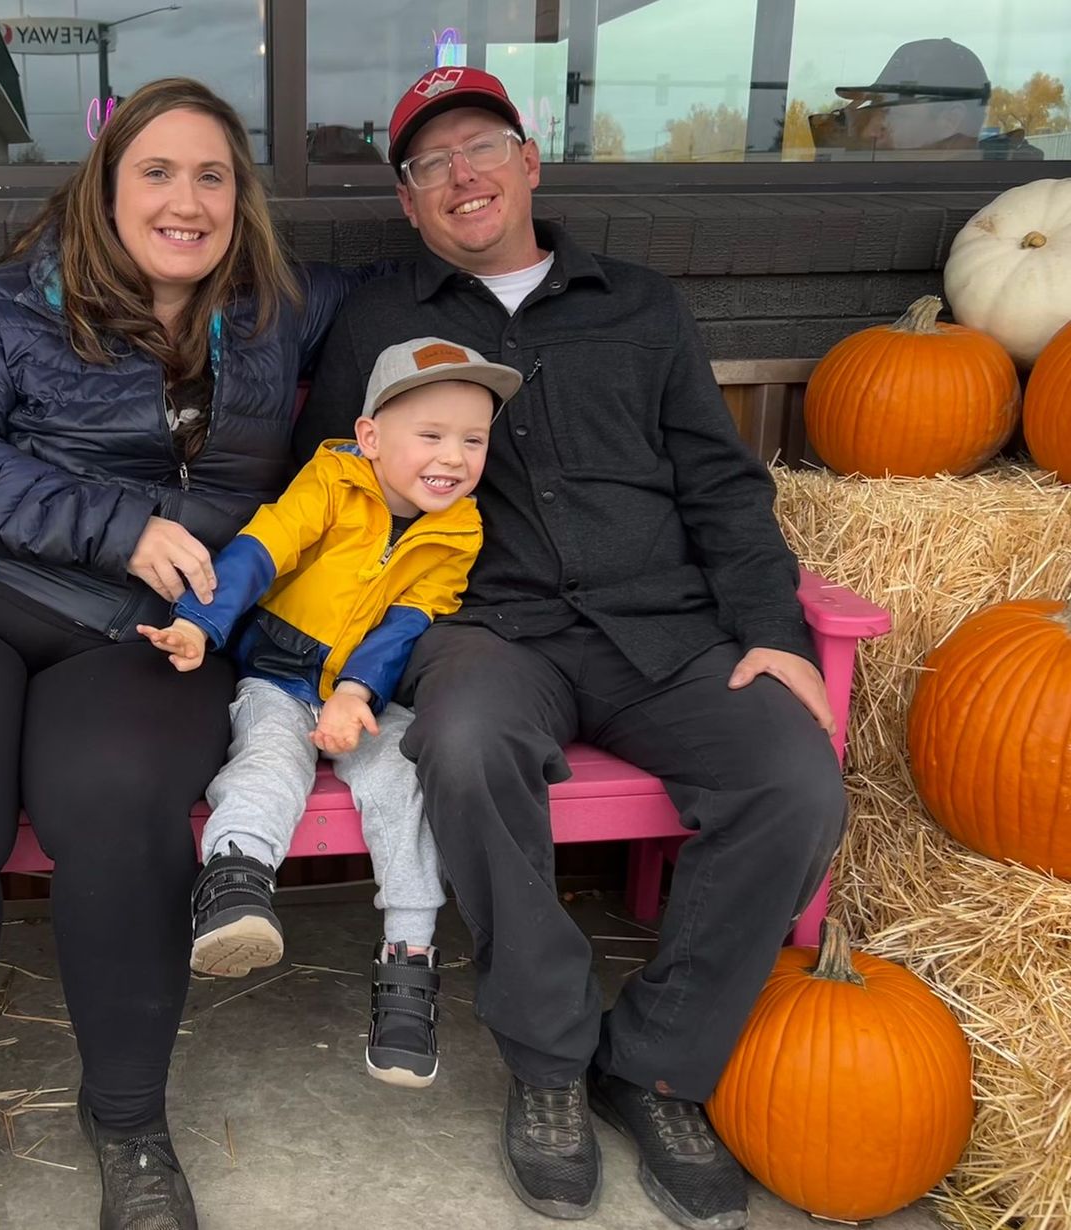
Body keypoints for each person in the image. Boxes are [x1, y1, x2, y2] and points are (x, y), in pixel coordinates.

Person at [296, 66, 846, 1230]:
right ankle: (546, 1062)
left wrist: (770, 631)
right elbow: (330, 491)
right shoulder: (381, 323)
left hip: (662, 629)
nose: (460, 176)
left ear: (527, 161)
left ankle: (651, 1062)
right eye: (428, 165)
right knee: (461, 741)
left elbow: (718, 487)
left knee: (792, 778)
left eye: (480, 146)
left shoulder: (637, 305)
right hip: (486, 631)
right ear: (406, 203)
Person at [0, 77, 371, 1230]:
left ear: (242, 199)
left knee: (117, 798)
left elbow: (421, 300)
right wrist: (115, 523)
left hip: (143, 633)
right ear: (105, 189)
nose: (186, 200)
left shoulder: (282, 310)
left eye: (212, 175)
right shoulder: (6, 308)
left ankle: (128, 1128)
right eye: (157, 173)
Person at [139, 337, 517, 1088]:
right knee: (267, 760)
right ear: (372, 438)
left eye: (473, 440)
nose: (454, 457)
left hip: (360, 692)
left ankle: (409, 961)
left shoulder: (460, 528)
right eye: (432, 436)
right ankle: (236, 884)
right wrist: (198, 623)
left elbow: (411, 619)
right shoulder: (333, 481)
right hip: (277, 675)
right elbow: (261, 550)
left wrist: (357, 694)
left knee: (400, 778)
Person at [809, 37, 1044, 161]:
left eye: (889, 110)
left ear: (950, 120)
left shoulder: (1006, 204)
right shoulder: (897, 176)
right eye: (871, 108)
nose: (869, 131)